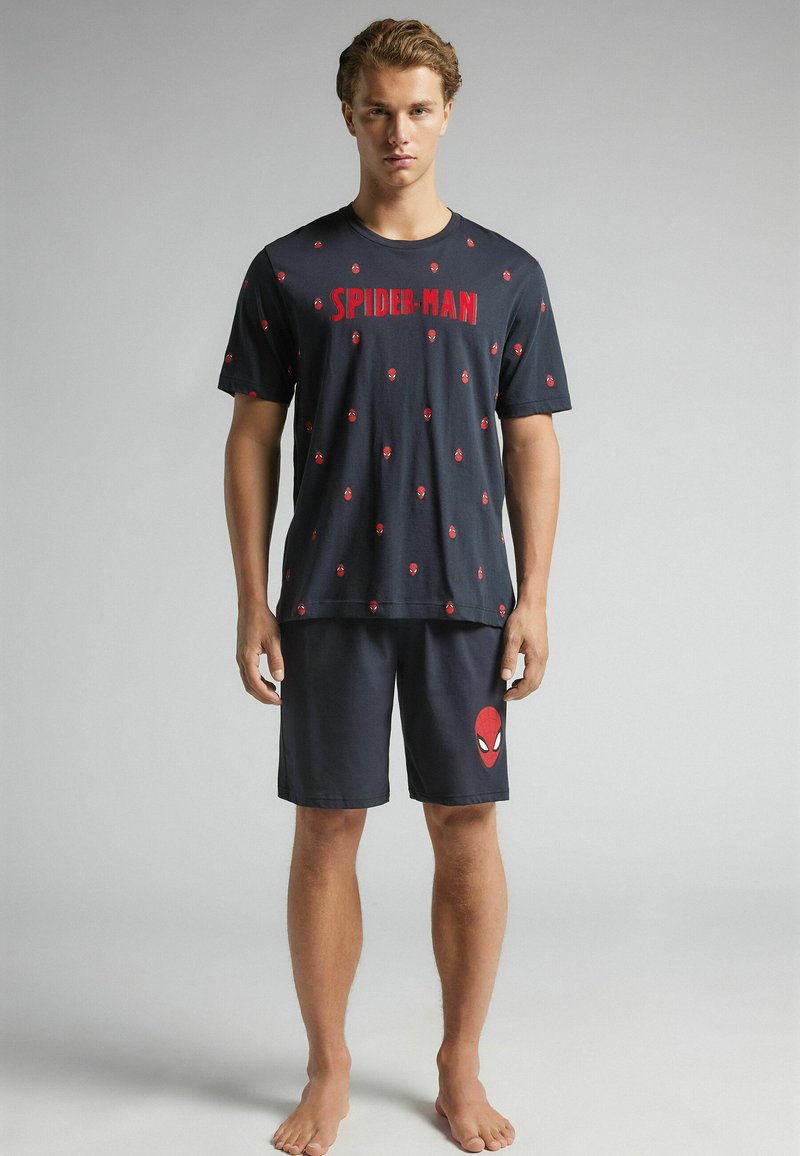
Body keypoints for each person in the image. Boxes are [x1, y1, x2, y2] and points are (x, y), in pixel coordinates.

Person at [217, 18, 571, 1155]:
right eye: (378, 110)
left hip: (468, 597)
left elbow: (532, 438)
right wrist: (251, 598)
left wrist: (534, 594)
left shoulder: (506, 273)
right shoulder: (290, 268)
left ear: (447, 113)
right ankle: (327, 1069)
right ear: (348, 116)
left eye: (418, 109)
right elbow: (251, 437)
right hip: (327, 596)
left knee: (465, 825)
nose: (398, 131)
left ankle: (459, 1065)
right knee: (327, 827)